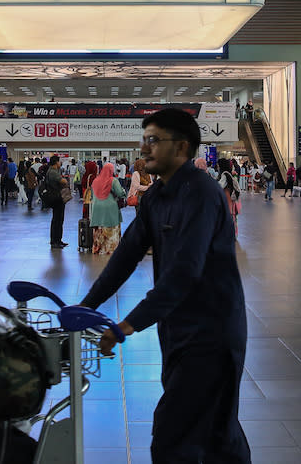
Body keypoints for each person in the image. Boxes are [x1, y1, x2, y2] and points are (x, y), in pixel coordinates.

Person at [79, 109, 249, 462]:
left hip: (212, 333)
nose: (145, 148)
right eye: (144, 140)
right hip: (178, 332)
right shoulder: (156, 197)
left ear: (182, 147)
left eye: (154, 140)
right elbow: (125, 257)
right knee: (218, 432)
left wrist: (126, 326)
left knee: (173, 436)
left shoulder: (202, 194)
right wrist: (85, 306)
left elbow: (183, 274)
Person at [89, 163, 126, 255]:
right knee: (111, 228)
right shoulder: (113, 181)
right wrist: (124, 191)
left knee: (99, 228)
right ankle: (110, 249)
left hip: (96, 208)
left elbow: (92, 196)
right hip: (110, 208)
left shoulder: (95, 181)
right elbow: (120, 193)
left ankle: (98, 248)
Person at [45, 155, 68, 249]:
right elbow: (64, 181)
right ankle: (55, 241)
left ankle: (58, 240)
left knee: (58, 219)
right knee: (57, 220)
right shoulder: (53, 172)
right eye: (59, 161)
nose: (60, 163)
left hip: (57, 198)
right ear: (56, 162)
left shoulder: (53, 171)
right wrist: (64, 180)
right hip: (56, 198)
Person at [218, 158, 241, 236]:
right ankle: (234, 233)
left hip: (227, 199)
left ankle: (230, 234)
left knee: (228, 216)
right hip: (231, 199)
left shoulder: (224, 174)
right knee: (232, 216)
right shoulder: (230, 174)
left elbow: (220, 186)